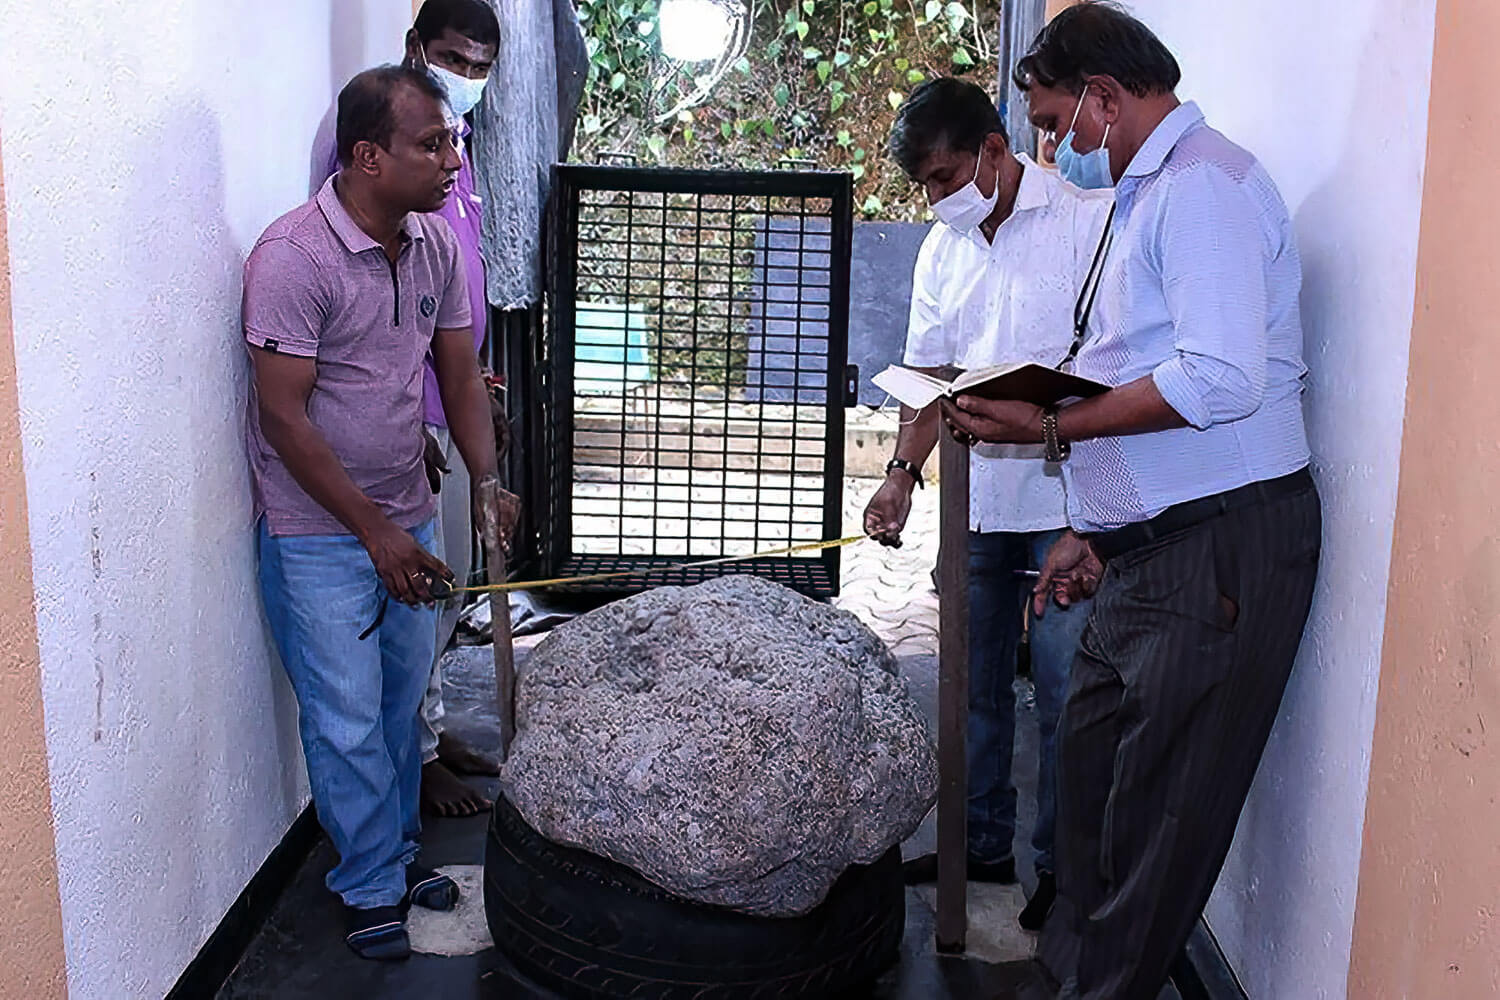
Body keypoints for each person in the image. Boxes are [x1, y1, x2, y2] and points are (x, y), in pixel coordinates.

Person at [942, 4, 1322, 997]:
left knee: (1156, 824)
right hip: (1151, 552)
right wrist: (1091, 525)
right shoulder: (1147, 194)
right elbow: (1135, 360)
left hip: (1219, 554)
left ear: (1107, 98)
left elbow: (1219, 378)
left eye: (1062, 124)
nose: (1058, 147)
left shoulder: (1201, 188)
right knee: (1093, 796)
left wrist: (1053, 431)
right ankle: (1076, 979)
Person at [245, 65, 515, 960]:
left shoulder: (435, 244)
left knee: (402, 709)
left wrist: (486, 484)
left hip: (408, 515)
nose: (453, 157)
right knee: (346, 717)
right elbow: (281, 416)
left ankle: (396, 859)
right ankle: (366, 882)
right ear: (367, 158)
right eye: (432, 143)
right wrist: (375, 532)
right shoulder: (292, 260)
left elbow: (459, 376)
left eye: (453, 139)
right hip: (320, 534)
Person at [868, 78, 1113, 929]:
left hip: (1064, 504)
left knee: (1063, 689)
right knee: (968, 691)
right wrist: (901, 473)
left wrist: (1092, 516)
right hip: (974, 505)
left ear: (995, 151)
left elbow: (1114, 373)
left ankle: (1060, 871)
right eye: (926, 187)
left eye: (947, 177)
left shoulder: (1087, 225)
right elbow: (928, 377)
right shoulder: (944, 249)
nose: (939, 199)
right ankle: (977, 844)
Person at [311, 0, 503, 819]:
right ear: (416, 46)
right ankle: (415, 764)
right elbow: (365, 300)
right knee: (411, 600)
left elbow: (445, 296)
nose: (468, 82)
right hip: (400, 420)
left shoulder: (447, 153)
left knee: (441, 586)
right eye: (455, 59)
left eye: (481, 67)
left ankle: (426, 734)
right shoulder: (367, 157)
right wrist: (408, 419)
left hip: (447, 398)